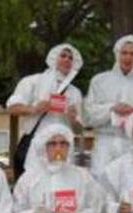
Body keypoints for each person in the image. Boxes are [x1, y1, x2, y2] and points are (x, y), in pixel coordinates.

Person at [83, 35, 133, 179]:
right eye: (124, 53)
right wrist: (112, 108)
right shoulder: (100, 81)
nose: (128, 57)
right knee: (102, 183)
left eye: (132, 53)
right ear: (117, 54)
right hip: (105, 142)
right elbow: (88, 115)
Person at [7, 43, 84, 173]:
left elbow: (79, 129)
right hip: (37, 146)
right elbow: (12, 108)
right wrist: (35, 109)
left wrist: (73, 119)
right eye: (63, 55)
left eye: (71, 58)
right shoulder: (33, 82)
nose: (67, 60)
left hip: (63, 147)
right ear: (54, 58)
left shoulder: (75, 93)